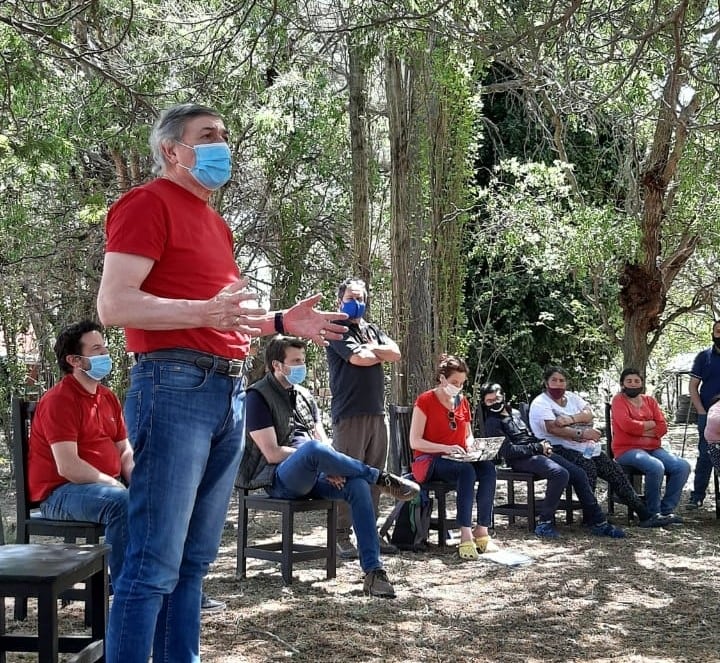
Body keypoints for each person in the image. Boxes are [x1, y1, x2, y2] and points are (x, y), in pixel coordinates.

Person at [96, 103, 347, 663]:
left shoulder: (216, 223)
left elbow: (224, 314)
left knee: (193, 560)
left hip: (228, 393)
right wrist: (205, 313)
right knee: (153, 559)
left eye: (225, 137)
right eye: (207, 136)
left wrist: (282, 323)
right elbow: (115, 305)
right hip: (174, 386)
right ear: (171, 151)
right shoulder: (146, 203)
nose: (221, 147)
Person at [238, 335, 419, 597]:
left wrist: (328, 464)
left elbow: (323, 441)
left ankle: (374, 571)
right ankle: (378, 477)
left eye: (303, 360)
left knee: (356, 485)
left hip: (316, 472)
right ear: (277, 365)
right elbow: (272, 452)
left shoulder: (304, 396)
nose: (302, 366)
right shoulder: (257, 397)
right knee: (312, 450)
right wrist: (316, 458)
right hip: (278, 478)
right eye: (296, 361)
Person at [27, 320, 132, 583]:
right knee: (121, 502)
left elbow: (124, 451)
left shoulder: (107, 398)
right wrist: (114, 484)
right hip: (60, 493)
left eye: (105, 349)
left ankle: (168, 588)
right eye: (97, 350)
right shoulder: (59, 401)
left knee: (161, 498)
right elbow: (69, 467)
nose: (105, 356)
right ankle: (126, 590)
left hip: (102, 489)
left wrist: (139, 479)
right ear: (75, 360)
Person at [529, 366, 673, 529]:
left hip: (583, 446)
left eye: (561, 380)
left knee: (614, 470)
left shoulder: (571, 397)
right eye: (554, 380)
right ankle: (591, 517)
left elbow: (589, 413)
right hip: (555, 448)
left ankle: (644, 515)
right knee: (588, 467)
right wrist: (582, 433)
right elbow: (553, 428)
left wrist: (571, 418)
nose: (558, 384)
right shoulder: (541, 403)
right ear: (546, 382)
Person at [480, 383, 625, 538]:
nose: (495, 403)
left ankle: (598, 522)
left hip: (538, 451)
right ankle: (545, 523)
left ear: (504, 396)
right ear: (484, 403)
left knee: (579, 473)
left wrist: (543, 445)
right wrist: (537, 447)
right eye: (490, 401)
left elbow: (530, 436)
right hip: (520, 459)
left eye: (497, 398)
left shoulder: (514, 413)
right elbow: (508, 451)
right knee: (559, 473)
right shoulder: (492, 422)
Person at [325, 277, 402, 559]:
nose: (356, 302)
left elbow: (395, 353)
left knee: (374, 476)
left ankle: (369, 534)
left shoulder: (371, 329)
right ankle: (340, 535)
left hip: (376, 413)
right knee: (344, 476)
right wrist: (375, 352)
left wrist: (375, 351)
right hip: (349, 414)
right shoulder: (335, 329)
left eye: (361, 297)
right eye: (351, 297)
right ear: (339, 301)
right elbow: (357, 359)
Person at [408, 355, 498, 560]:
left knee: (487, 468)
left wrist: (473, 448)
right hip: (429, 461)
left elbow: (467, 434)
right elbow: (415, 441)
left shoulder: (462, 401)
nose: (458, 387)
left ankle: (482, 529)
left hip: (458, 457)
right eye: (454, 382)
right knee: (466, 472)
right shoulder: (425, 400)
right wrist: (446, 448)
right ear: (442, 378)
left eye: (462, 383)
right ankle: (464, 534)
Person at [610, 369, 690, 525]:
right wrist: (649, 426)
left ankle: (667, 510)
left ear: (642, 383)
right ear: (622, 384)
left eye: (637, 381)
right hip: (626, 450)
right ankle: (652, 514)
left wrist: (641, 430)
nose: (633, 384)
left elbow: (662, 427)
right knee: (655, 466)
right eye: (629, 381)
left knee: (682, 466)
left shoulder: (650, 401)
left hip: (654, 448)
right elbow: (627, 426)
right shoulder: (618, 400)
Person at [686, 321, 720, 509]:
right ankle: (697, 496)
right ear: (713, 333)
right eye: (718, 331)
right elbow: (693, 386)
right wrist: (701, 411)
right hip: (708, 415)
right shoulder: (703, 357)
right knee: (705, 454)